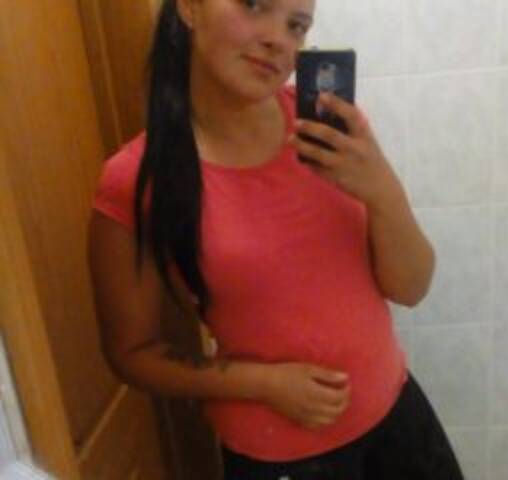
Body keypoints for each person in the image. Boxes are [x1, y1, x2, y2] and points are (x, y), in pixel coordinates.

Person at [87, 0, 465, 478]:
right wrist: (264, 383)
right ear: (189, 7)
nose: (278, 39)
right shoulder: (137, 178)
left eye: (296, 25)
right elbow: (132, 354)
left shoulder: (329, 132)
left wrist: (382, 189)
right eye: (254, 5)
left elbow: (411, 288)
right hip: (280, 455)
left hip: (398, 420)